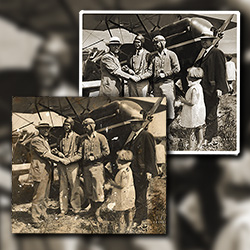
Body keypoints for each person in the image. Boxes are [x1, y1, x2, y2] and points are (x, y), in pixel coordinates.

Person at [124, 114, 158, 228]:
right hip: (135, 171)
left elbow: (150, 154)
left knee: (141, 195)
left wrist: (149, 171)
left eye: (135, 123)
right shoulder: (134, 137)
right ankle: (141, 216)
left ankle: (138, 220)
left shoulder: (146, 135)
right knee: (138, 194)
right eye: (131, 123)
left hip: (142, 172)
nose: (132, 125)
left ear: (141, 124)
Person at [195, 31, 228, 145]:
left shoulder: (217, 52)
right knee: (207, 111)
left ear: (212, 41)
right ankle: (209, 134)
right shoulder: (204, 54)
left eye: (206, 39)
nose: (203, 42)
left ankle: (209, 137)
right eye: (202, 40)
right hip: (204, 88)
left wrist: (220, 88)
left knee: (211, 113)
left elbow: (221, 71)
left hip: (212, 89)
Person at [29, 122, 62, 227]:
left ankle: (43, 213)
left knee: (45, 195)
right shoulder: (36, 140)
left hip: (46, 171)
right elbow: (44, 154)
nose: (46, 130)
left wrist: (53, 151)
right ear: (39, 130)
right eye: (44, 129)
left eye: (47, 129)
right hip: (39, 171)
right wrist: (60, 160)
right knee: (39, 195)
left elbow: (47, 152)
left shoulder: (44, 140)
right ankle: (35, 218)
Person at [149, 35, 180, 137]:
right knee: (159, 108)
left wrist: (165, 74)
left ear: (163, 43)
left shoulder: (171, 54)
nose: (155, 45)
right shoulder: (154, 57)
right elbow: (150, 71)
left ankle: (169, 131)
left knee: (170, 107)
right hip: (156, 85)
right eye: (154, 43)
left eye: (157, 43)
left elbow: (177, 69)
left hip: (167, 84)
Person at [80, 118, 110, 223]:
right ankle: (92, 211)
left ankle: (98, 214)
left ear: (92, 126)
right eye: (84, 126)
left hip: (97, 167)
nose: (85, 128)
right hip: (86, 168)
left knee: (98, 191)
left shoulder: (101, 138)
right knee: (89, 190)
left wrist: (96, 157)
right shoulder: (83, 139)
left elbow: (107, 152)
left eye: (87, 125)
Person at [52, 117, 82, 216]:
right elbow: (57, 149)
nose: (66, 127)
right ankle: (63, 210)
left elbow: (80, 154)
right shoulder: (60, 138)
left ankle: (76, 209)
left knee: (74, 186)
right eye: (65, 125)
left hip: (73, 165)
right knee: (62, 187)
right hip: (62, 165)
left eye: (68, 125)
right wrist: (57, 153)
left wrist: (70, 160)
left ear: (72, 126)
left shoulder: (77, 138)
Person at [108, 150, 135, 233]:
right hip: (130, 193)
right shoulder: (128, 169)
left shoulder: (123, 172)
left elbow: (122, 185)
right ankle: (129, 227)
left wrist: (113, 184)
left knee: (120, 213)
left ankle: (121, 229)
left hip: (122, 194)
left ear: (119, 161)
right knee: (129, 210)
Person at [179, 67, 206, 150]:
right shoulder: (199, 86)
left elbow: (192, 102)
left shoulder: (193, 88)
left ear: (191, 78)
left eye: (188, 76)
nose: (187, 77)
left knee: (190, 129)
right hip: (200, 110)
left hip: (193, 112)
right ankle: (200, 143)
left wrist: (183, 101)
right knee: (199, 126)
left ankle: (191, 146)